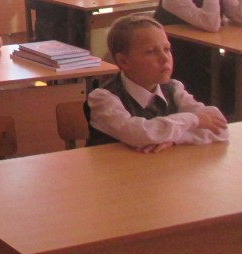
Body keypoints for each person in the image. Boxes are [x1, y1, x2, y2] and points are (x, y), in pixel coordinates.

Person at [85, 14, 228, 151]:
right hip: (115, 167)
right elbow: (139, 134)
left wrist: (174, 139)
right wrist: (194, 119)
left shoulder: (174, 88)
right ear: (124, 61)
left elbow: (220, 129)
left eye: (167, 49)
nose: (164, 58)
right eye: (151, 51)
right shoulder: (102, 98)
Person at [155, 0, 241, 103]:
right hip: (177, 60)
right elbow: (211, 24)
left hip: (206, 58)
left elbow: (239, 18)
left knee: (234, 69)